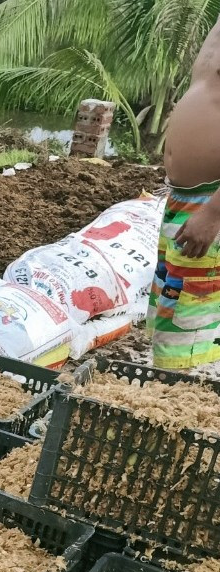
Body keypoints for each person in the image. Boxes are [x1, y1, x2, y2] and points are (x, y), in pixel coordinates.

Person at [149, 15, 220, 369]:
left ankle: (178, 407)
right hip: (185, 200)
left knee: (191, 329)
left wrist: (213, 213)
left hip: (212, 204)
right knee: (171, 308)